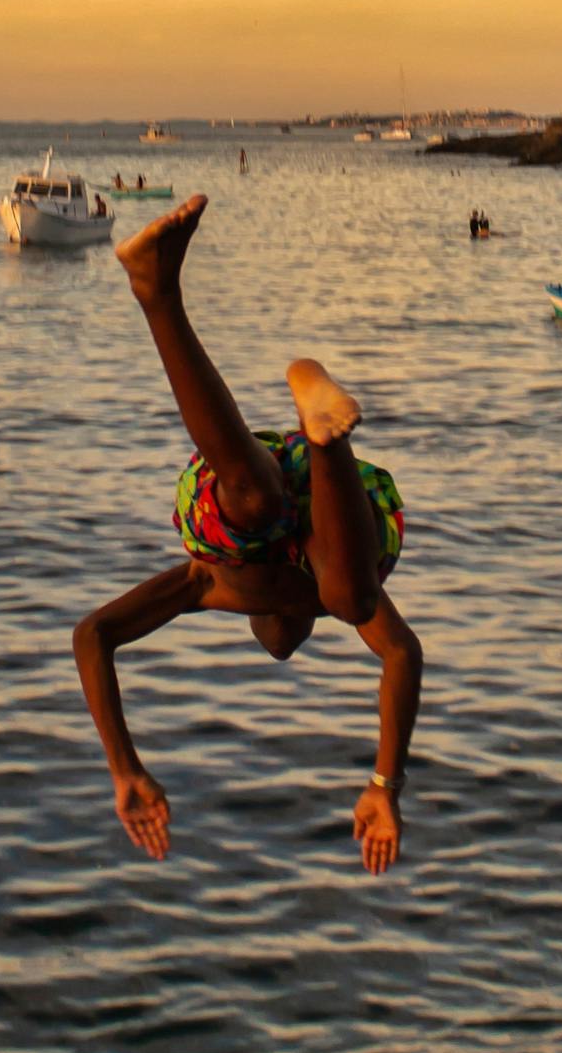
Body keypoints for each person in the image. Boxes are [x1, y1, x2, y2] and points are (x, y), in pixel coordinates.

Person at [72, 195, 422, 876]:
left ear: (267, 622)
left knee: (257, 504)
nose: (284, 641)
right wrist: (384, 785)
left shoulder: (207, 586)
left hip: (262, 484)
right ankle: (321, 435)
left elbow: (93, 636)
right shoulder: (322, 595)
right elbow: (399, 655)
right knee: (349, 594)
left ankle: (159, 295)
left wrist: (124, 768)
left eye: (278, 639)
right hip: (333, 512)